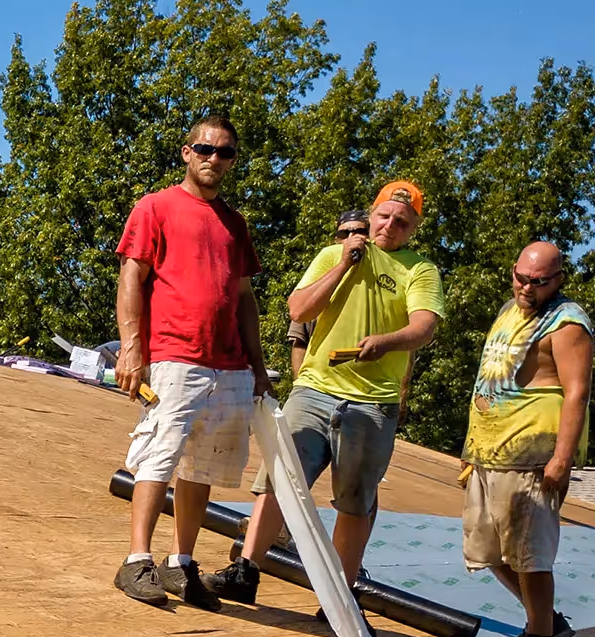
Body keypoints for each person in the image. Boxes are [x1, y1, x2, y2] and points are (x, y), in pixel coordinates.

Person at [214, 182, 444, 600]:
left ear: (413, 229)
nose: (390, 225)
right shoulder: (332, 255)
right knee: (280, 479)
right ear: (371, 214)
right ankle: (245, 571)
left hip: (372, 403)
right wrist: (343, 265)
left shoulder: (419, 270)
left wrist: (386, 342)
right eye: (384, 216)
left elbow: (424, 327)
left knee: (354, 501)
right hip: (314, 390)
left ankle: (338, 595)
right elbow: (300, 309)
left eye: (402, 222)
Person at [115, 113, 271, 609]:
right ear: (187, 152)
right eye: (205, 149)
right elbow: (131, 278)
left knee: (202, 466)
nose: (213, 158)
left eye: (225, 152)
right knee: (158, 455)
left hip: (229, 366)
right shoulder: (156, 206)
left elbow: (243, 298)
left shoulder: (235, 224)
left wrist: (258, 367)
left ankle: (180, 563)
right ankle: (137, 560)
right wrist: (132, 348)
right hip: (174, 354)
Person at [463, 241, 595, 637]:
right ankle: (548, 623)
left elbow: (577, 392)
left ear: (558, 279)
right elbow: (488, 379)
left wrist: (562, 458)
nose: (527, 287)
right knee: (488, 550)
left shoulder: (567, 322)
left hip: (532, 454)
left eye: (538, 282)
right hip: (490, 450)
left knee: (528, 552)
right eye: (521, 278)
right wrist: (470, 447)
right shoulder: (509, 311)